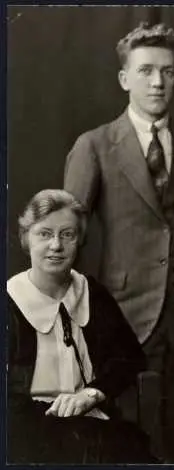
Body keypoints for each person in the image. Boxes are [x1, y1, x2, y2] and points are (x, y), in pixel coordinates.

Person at [63, 22, 174, 463]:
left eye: (167, 71)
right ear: (125, 79)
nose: (158, 81)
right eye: (145, 71)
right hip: (125, 309)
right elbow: (69, 234)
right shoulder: (95, 146)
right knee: (134, 425)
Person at [7, 189, 155, 464]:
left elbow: (130, 358)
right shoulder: (9, 299)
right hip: (28, 429)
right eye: (44, 234)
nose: (56, 245)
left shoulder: (91, 292)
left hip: (93, 421)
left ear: (80, 241)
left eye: (67, 234)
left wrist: (92, 393)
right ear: (25, 238)